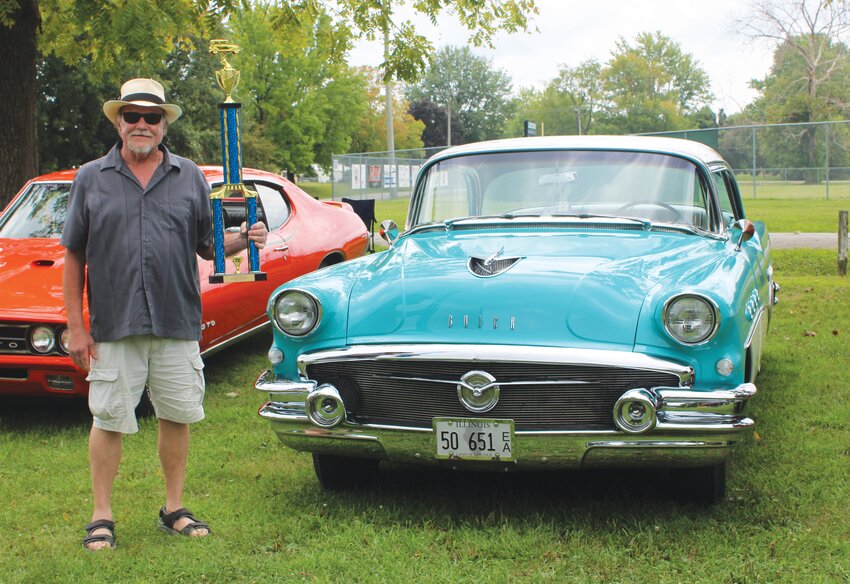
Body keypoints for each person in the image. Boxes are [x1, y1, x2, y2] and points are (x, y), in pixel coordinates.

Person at [62, 78, 267, 550]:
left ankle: (173, 508)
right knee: (109, 417)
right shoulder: (91, 178)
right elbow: (74, 255)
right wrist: (77, 327)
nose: (141, 124)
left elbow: (207, 245)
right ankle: (101, 516)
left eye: (151, 117)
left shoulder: (190, 176)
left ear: (163, 125)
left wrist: (244, 240)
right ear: (117, 121)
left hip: (176, 320)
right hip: (115, 323)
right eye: (131, 115)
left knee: (176, 415)